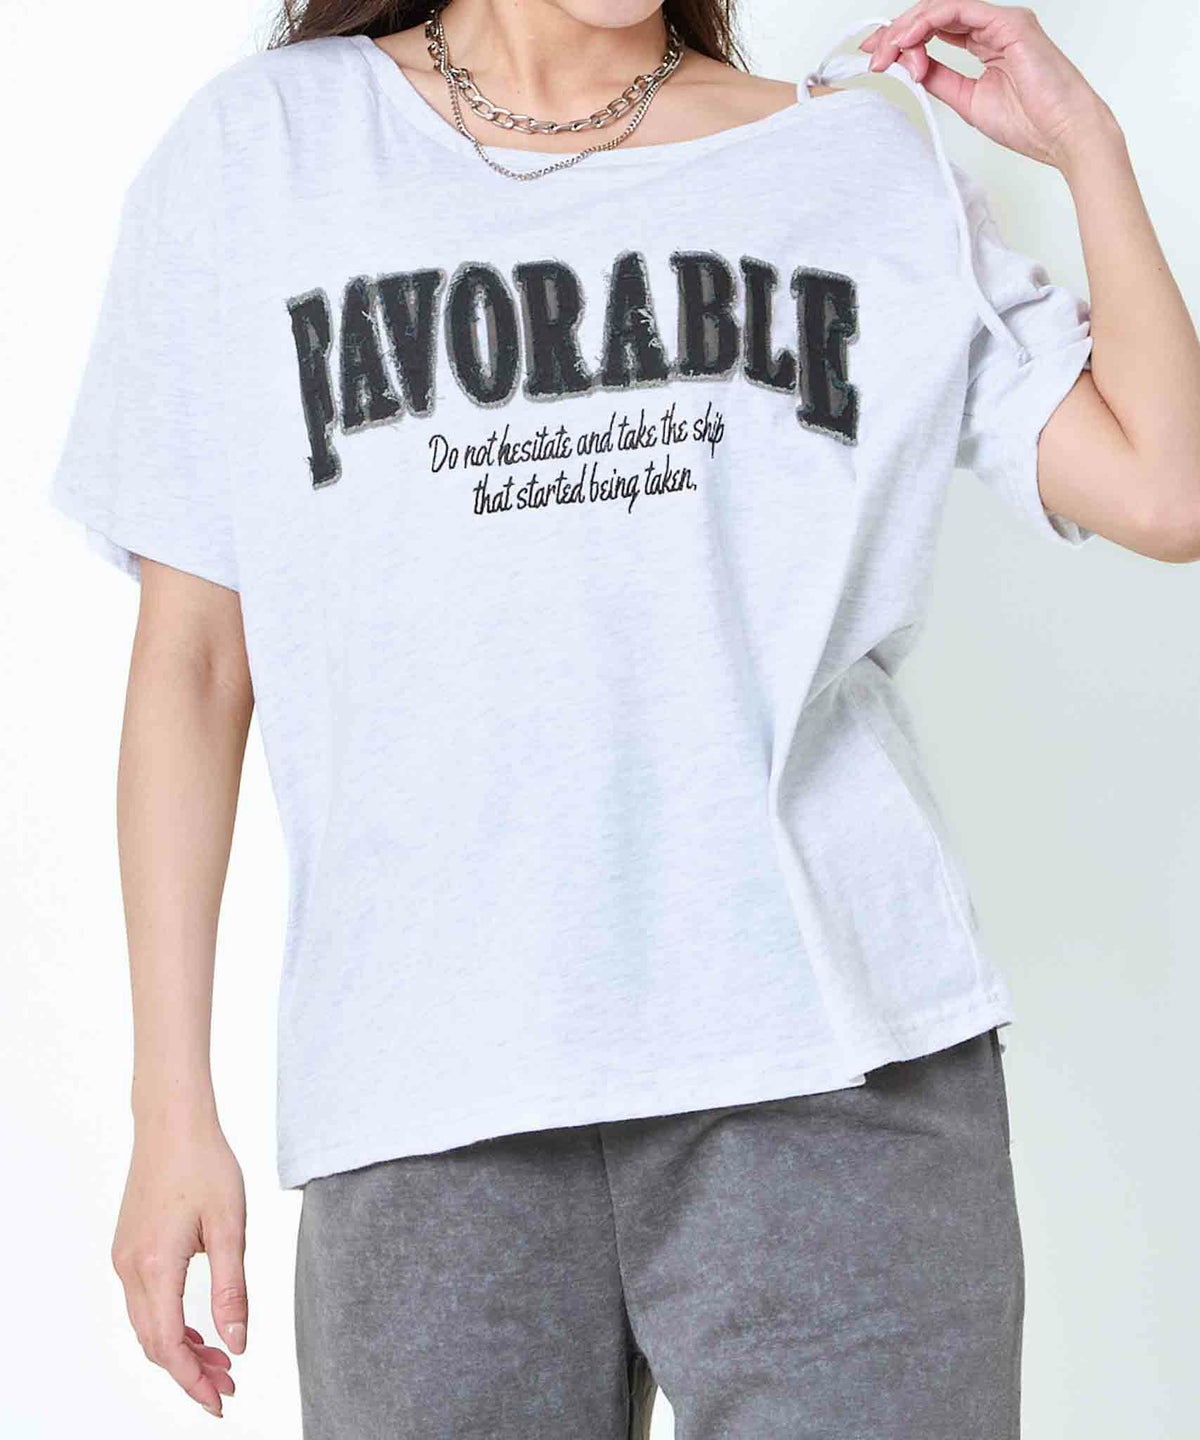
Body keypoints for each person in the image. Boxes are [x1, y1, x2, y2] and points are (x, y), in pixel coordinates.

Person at [48, 0, 1200, 1435]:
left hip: (835, 1073)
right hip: (428, 1095)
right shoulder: (266, 151)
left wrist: (1088, 147)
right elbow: (194, 663)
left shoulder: (848, 159)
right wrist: (173, 1110)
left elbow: (1167, 489)